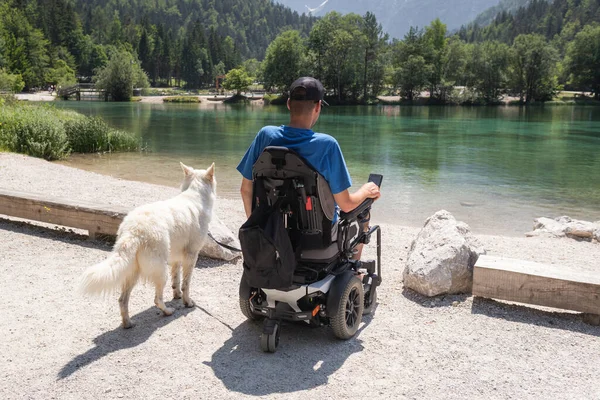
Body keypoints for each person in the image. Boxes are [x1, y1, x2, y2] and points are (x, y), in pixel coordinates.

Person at [236, 77, 380, 260]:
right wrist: (366, 191)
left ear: (288, 104)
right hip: (319, 242)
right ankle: (355, 271)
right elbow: (346, 204)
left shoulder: (265, 136)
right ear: (318, 106)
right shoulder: (327, 145)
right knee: (363, 209)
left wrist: (257, 228)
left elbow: (245, 189)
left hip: (271, 234)